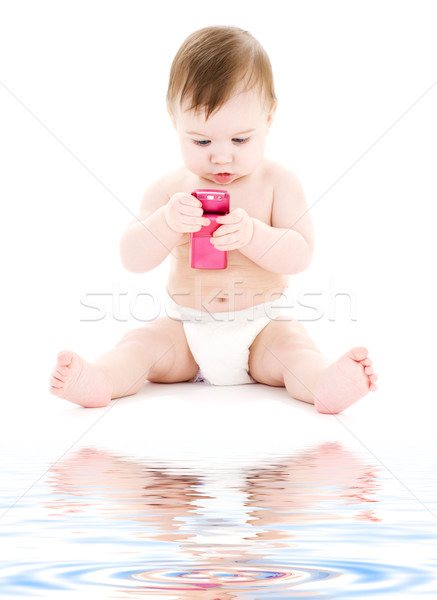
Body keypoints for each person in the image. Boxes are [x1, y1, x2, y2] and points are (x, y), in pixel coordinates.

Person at [49, 26, 377, 413]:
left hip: (261, 326)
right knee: (141, 346)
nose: (222, 157)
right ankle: (101, 378)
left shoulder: (278, 182)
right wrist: (167, 223)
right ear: (174, 121)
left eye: (240, 140)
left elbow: (301, 254)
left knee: (293, 350)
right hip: (185, 326)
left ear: (269, 118)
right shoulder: (169, 189)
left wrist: (253, 235)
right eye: (201, 142)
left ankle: (324, 382)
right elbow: (132, 257)